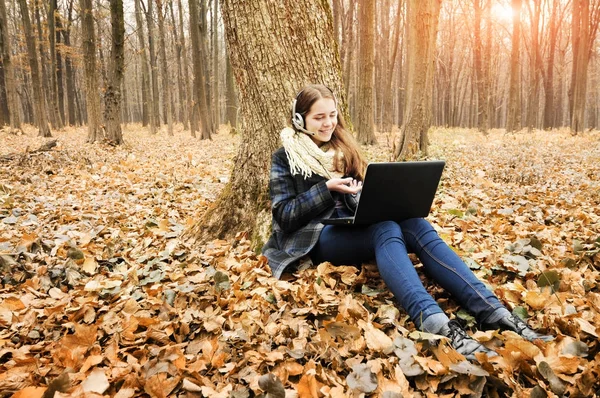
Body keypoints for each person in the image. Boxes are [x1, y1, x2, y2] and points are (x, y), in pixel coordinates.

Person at [262, 84, 553, 360]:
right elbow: (284, 216)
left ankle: (494, 312)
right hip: (316, 237)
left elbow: (361, 194)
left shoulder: (343, 147)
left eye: (332, 115)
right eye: (319, 117)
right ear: (300, 119)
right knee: (385, 229)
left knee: (415, 223)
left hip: (352, 225)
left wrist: (368, 194)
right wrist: (327, 189)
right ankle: (437, 323)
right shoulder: (285, 157)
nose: (328, 124)